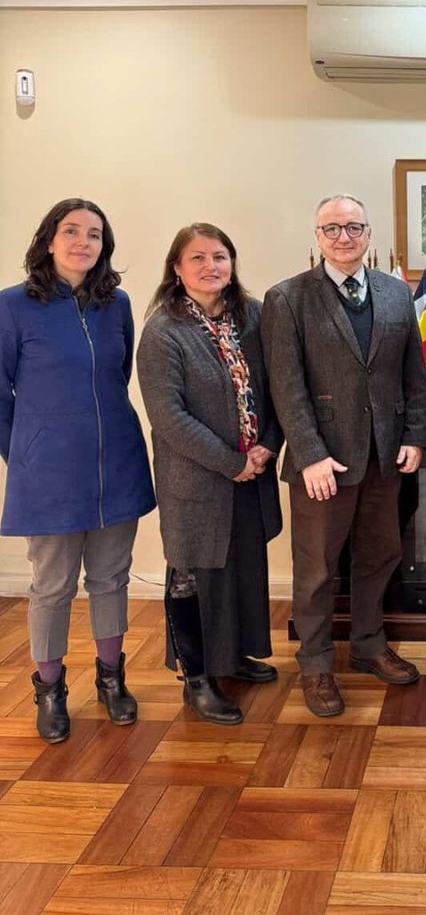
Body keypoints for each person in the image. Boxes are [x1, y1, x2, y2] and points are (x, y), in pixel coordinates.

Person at [262, 194, 426, 718]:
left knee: (379, 555)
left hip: (385, 458)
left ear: (368, 233)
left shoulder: (395, 293)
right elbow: (286, 388)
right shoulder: (287, 297)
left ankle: (368, 645)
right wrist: (309, 454)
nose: (343, 237)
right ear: (317, 236)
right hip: (323, 464)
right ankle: (315, 666)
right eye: (331, 228)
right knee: (315, 570)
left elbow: (413, 375)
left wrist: (414, 436)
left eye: (353, 227)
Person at [0, 198, 155, 743]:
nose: (82, 242)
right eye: (71, 231)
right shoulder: (12, 306)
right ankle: (50, 689)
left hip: (118, 463)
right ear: (49, 240)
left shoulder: (118, 305)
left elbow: (117, 373)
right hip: (48, 474)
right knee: (52, 585)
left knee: (112, 578)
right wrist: (25, 455)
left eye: (94, 235)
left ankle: (112, 679)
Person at [137, 223, 283, 725]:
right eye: (197, 258)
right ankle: (197, 678)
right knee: (192, 574)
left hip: (253, 470)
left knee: (240, 568)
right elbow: (168, 416)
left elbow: (277, 388)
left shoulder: (253, 316)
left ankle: (233, 657)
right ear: (176, 269)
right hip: (196, 481)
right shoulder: (163, 331)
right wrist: (232, 461)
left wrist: (266, 447)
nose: (210, 267)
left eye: (219, 256)